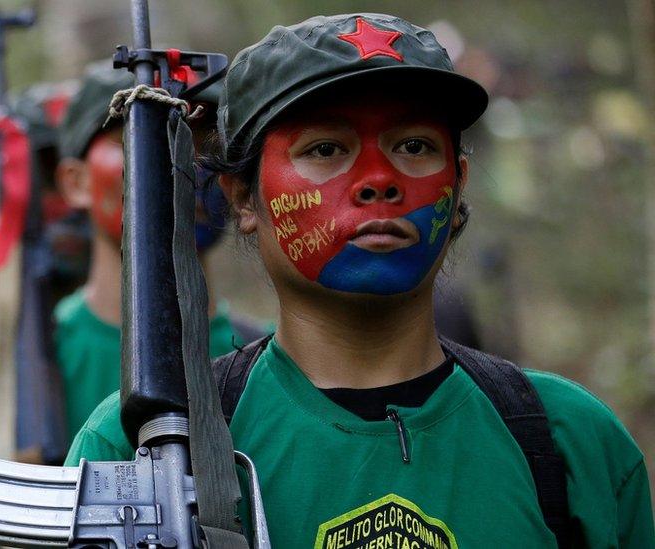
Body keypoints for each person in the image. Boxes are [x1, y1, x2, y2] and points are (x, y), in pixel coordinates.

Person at [66, 14, 654, 548]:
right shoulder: (142, 445)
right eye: (325, 149)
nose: (379, 179)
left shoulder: (571, 442)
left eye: (415, 146)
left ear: (459, 182)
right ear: (242, 196)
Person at [53, 64, 262, 442]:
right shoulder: (8, 369)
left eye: (205, 144)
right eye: (144, 140)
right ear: (76, 182)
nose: (183, 162)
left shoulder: (275, 367)